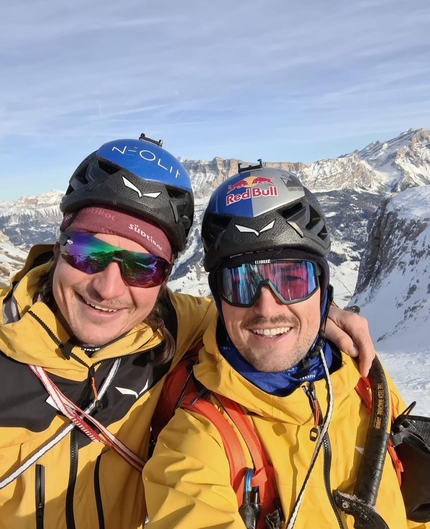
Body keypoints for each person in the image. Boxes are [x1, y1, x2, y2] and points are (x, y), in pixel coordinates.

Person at [0, 136, 374, 529]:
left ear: (164, 279)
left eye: (142, 267)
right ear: (59, 245)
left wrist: (318, 309)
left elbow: (251, 316)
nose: (108, 289)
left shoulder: (172, 326)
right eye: (87, 252)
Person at [143, 164, 427, 529]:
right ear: (218, 299)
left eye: (291, 280)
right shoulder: (197, 440)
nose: (267, 308)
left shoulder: (365, 379)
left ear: (323, 289)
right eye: (241, 283)